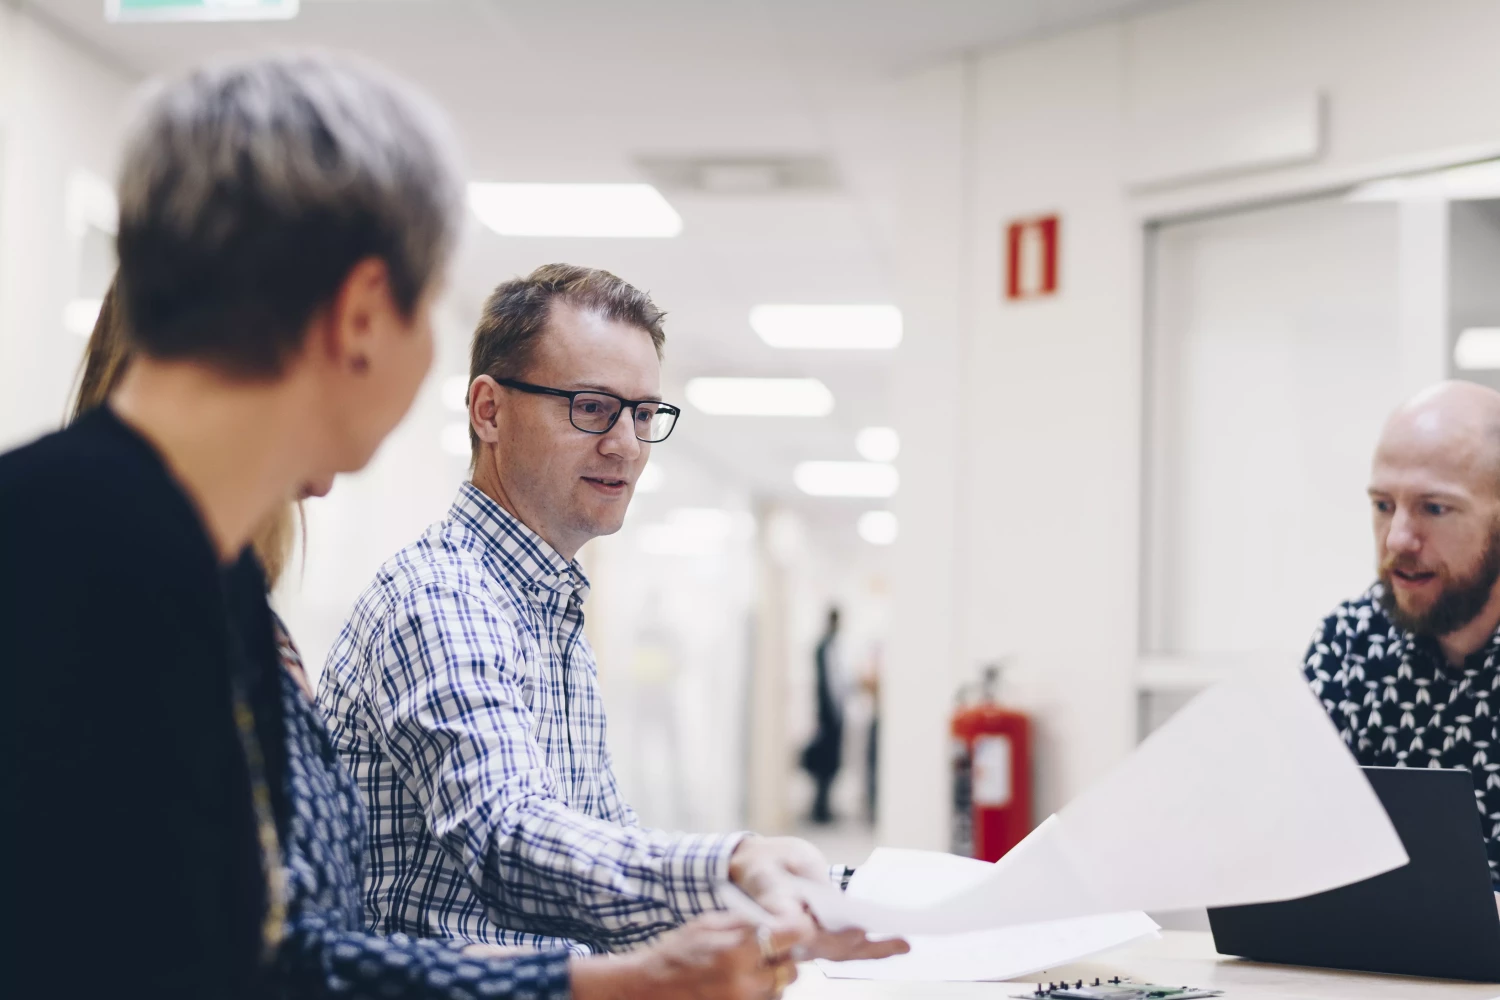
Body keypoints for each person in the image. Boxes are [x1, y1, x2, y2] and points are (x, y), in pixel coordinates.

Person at [3, 55, 800, 1000]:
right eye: (429, 307)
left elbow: (285, 953)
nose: (625, 443)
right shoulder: (77, 565)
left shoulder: (200, 586)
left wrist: (626, 979)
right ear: (363, 314)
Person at [319, 264, 909, 963]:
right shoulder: (443, 597)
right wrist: (734, 863)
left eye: (643, 413)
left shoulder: (547, 607)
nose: (627, 445)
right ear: (488, 410)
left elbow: (602, 851)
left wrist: (834, 893)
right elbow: (512, 840)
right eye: (593, 407)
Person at [1304, 380, 1500, 887]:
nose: (1398, 539)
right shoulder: (1348, 647)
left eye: (1435, 508)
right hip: (1361, 967)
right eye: (1383, 505)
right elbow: (1295, 862)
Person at [801, 607, 846, 823]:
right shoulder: (822, 648)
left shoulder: (834, 648)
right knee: (824, 765)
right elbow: (825, 686)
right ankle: (819, 809)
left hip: (835, 715)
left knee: (831, 765)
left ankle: (824, 806)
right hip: (827, 716)